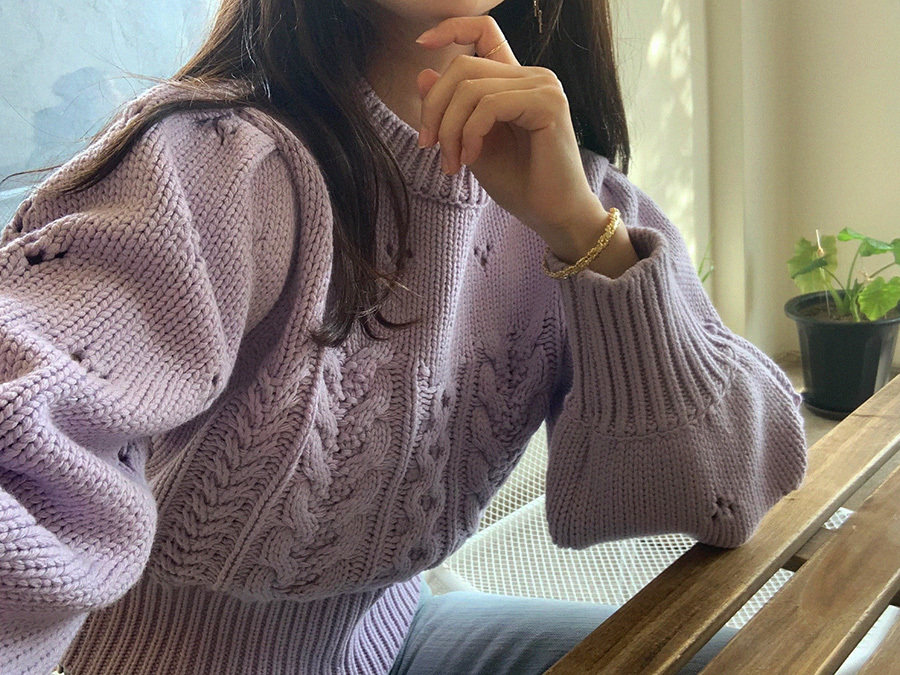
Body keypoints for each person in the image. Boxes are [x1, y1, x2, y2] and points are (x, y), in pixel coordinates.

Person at [0, 1, 808, 673]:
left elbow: (730, 489)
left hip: (391, 638)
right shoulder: (212, 164)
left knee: (758, 657)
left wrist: (582, 233)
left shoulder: (576, 197)